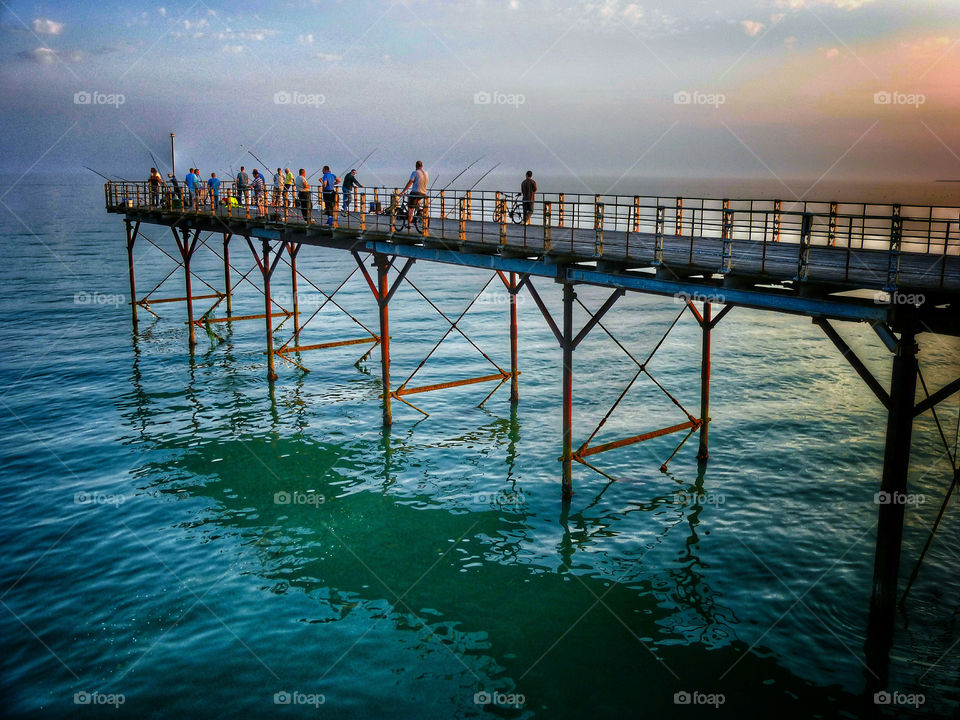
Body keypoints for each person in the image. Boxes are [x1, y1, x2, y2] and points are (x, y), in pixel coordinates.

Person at [400, 160, 428, 227]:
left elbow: (410, 182)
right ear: (422, 166)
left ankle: (409, 224)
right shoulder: (426, 173)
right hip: (423, 193)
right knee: (417, 201)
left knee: (411, 208)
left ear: (416, 166)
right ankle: (420, 211)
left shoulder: (415, 172)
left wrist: (403, 191)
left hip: (415, 193)